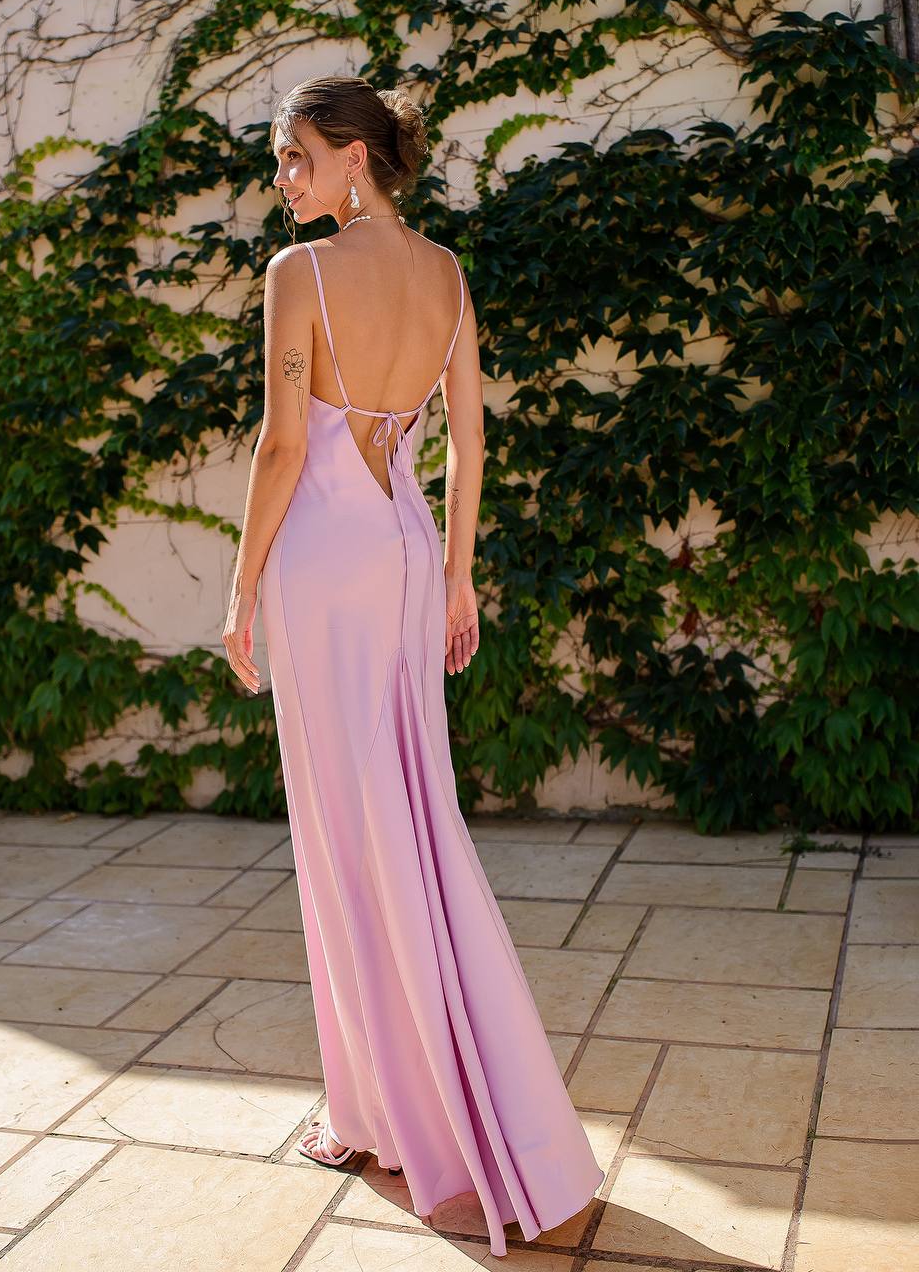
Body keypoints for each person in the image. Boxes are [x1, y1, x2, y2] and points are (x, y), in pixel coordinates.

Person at [222, 74, 604, 1258]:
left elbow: (286, 442)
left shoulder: (300, 276)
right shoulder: (446, 275)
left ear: (351, 159)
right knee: (410, 819)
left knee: (348, 831)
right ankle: (402, 1099)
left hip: (323, 562)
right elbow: (470, 436)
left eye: (292, 157)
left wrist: (241, 591)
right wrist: (455, 577)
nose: (281, 180)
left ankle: (379, 1110)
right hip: (403, 549)